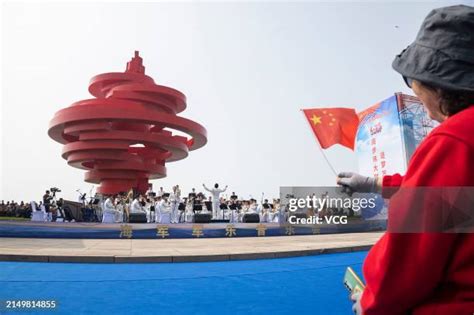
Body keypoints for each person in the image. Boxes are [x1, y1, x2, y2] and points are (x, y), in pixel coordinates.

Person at [338, 5, 474, 314]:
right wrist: (375, 184)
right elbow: (457, 202)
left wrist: (372, 301)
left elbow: (409, 259)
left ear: (440, 84)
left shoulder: (453, 139)